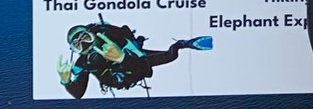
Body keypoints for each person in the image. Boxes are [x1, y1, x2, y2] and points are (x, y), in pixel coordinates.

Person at [56, 20, 212, 98]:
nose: (86, 45)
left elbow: (144, 68)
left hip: (135, 60)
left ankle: (183, 44)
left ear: (93, 34)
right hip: (117, 79)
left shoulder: (113, 37)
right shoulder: (83, 63)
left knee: (170, 55)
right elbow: (78, 94)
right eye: (78, 45)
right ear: (75, 50)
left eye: (86, 38)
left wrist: (122, 57)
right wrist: (66, 81)